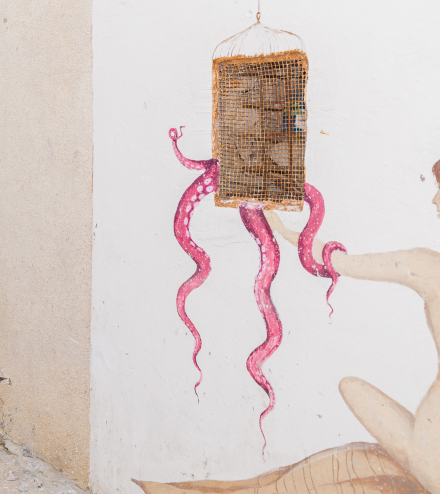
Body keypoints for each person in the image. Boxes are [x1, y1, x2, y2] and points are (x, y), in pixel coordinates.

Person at [135, 162, 440, 494]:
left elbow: (339, 263)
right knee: (355, 410)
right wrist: (284, 230)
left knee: (359, 451)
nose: (435, 199)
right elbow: (333, 260)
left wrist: (284, 230)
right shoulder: (427, 266)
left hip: (429, 453)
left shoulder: (427, 266)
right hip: (424, 444)